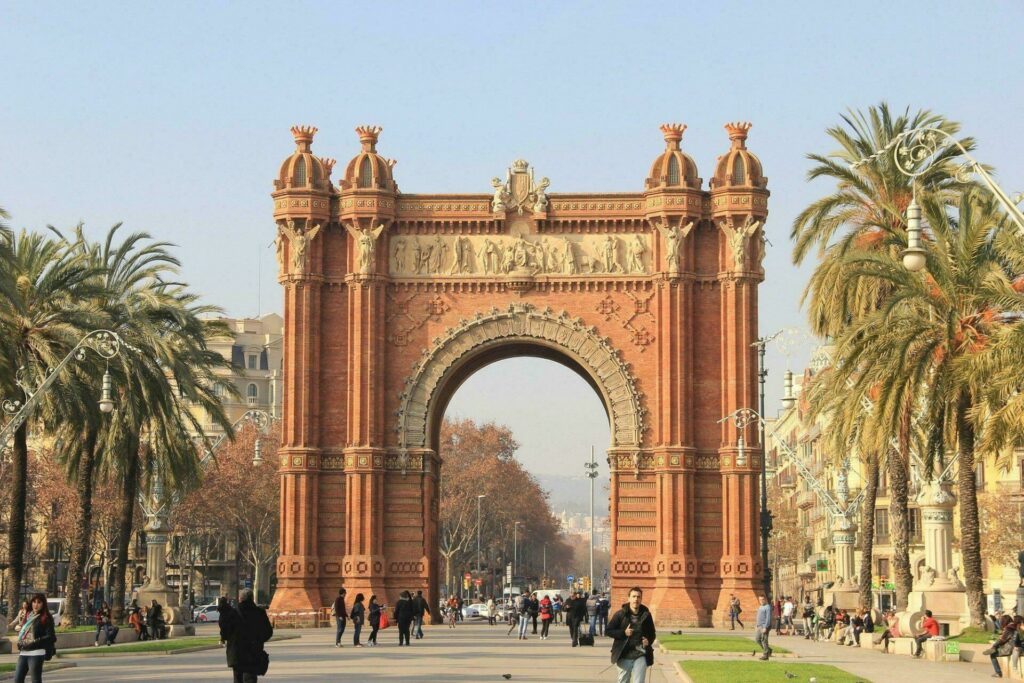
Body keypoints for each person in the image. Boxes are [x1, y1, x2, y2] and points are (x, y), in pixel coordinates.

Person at [220, 589, 273, 683]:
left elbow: (225, 630)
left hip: (237, 652)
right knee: (251, 678)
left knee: (237, 679)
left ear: (240, 599)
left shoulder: (233, 613)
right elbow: (268, 632)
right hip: (253, 651)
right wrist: (259, 640)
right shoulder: (259, 613)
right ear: (252, 598)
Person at [606, 587, 656, 683]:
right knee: (623, 681)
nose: (636, 599)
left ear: (641, 599)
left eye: (638, 597)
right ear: (629, 598)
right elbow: (608, 631)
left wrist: (648, 641)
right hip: (624, 654)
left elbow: (652, 633)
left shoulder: (646, 615)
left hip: (641, 653)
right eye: (633, 596)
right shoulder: (620, 614)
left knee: (639, 681)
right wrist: (623, 633)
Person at [14, 593, 56, 683]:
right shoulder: (28, 616)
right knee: (17, 680)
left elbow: (51, 637)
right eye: (34, 602)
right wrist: (20, 630)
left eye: (39, 602)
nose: (36, 605)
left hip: (36, 653)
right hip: (24, 651)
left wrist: (35, 642)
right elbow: (27, 632)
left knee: (35, 680)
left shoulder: (46, 618)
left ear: (43, 604)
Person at [754, 595, 773, 660]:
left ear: (765, 600)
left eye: (762, 599)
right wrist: (756, 625)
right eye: (760, 600)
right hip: (759, 626)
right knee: (757, 639)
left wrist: (765, 627)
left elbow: (768, 618)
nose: (761, 601)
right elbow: (758, 616)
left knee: (764, 640)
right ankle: (768, 650)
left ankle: (765, 655)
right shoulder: (760, 607)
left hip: (764, 626)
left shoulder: (767, 607)